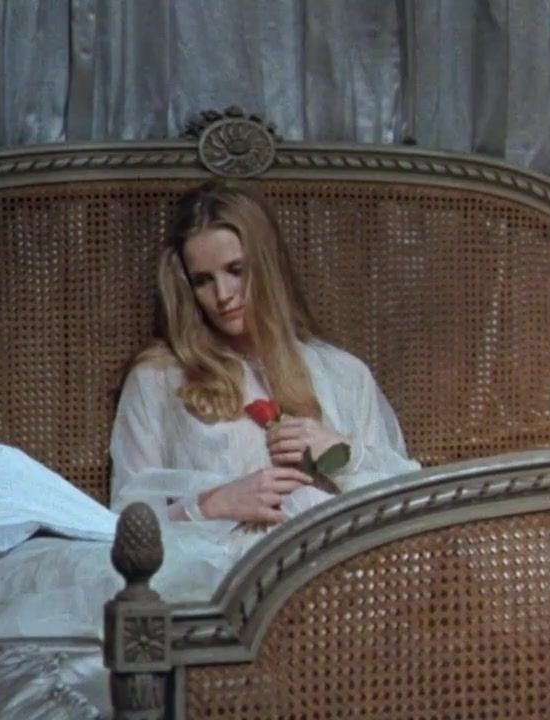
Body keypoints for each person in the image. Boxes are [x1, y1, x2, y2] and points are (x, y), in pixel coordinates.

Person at [108, 180, 420, 598]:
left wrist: (343, 453)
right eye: (203, 280)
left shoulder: (342, 373)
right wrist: (211, 505)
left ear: (267, 265)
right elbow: (124, 524)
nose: (223, 295)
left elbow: (407, 505)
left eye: (236, 271)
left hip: (343, 582)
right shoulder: (158, 379)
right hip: (215, 582)